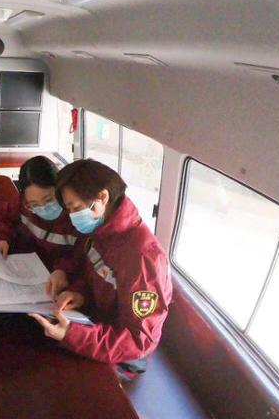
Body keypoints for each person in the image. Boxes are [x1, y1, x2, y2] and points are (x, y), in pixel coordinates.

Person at [29, 159, 172, 379]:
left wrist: (72, 335)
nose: (72, 217)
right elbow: (96, 277)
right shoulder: (100, 230)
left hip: (124, 355)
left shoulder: (144, 257)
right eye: (69, 210)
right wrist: (80, 294)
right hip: (95, 324)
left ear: (102, 197)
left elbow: (138, 340)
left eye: (76, 208)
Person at [0, 156, 81, 298]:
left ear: (60, 188)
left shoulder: (76, 214)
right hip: (30, 272)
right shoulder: (23, 205)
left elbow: (82, 255)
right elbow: (1, 217)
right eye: (34, 204)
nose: (43, 208)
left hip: (59, 282)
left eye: (49, 200)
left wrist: (63, 270)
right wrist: (2, 238)